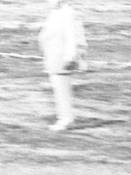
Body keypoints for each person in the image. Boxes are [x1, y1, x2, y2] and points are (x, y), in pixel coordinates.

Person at [38, 0, 86, 132]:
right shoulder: (54, 13)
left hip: (62, 57)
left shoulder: (68, 13)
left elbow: (72, 36)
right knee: (58, 90)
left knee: (62, 90)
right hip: (53, 56)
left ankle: (66, 119)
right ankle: (64, 118)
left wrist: (70, 57)